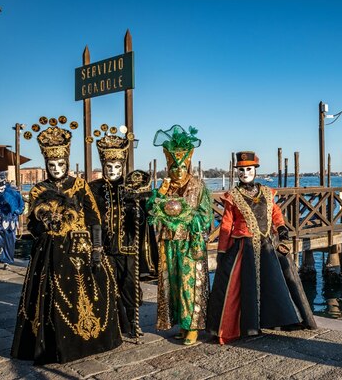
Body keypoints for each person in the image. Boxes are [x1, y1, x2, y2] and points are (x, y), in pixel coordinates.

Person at [11, 117, 121, 364]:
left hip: (79, 248)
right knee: (51, 297)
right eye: (52, 164)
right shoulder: (39, 189)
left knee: (88, 293)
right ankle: (56, 346)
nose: (57, 169)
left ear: (67, 161)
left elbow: (94, 217)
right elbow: (31, 223)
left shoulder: (80, 185)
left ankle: (86, 342)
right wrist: (44, 224)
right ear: (46, 164)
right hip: (50, 252)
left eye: (61, 164)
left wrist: (96, 248)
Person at [207, 151, 316, 345]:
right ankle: (247, 326)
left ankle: (285, 319)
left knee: (276, 282)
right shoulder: (233, 196)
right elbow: (226, 225)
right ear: (237, 172)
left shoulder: (267, 192)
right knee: (242, 287)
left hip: (267, 245)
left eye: (248, 169)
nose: (245, 173)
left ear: (255, 170)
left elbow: (275, 213)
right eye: (241, 170)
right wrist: (222, 251)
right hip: (244, 247)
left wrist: (281, 227)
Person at [147, 125, 212, 346]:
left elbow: (205, 215)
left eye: (182, 166)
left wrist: (186, 217)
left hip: (189, 243)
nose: (178, 171)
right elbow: (151, 209)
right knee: (172, 284)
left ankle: (192, 326)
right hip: (168, 242)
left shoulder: (198, 186)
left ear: (189, 164)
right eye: (173, 167)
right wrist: (161, 195)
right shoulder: (166, 187)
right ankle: (180, 324)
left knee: (189, 284)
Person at [89, 124, 154, 340]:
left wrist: (140, 208)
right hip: (106, 246)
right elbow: (92, 218)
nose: (113, 172)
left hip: (128, 246)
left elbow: (147, 214)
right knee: (108, 286)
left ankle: (133, 322)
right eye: (109, 167)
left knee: (130, 286)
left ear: (122, 165)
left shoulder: (132, 186)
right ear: (103, 165)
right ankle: (115, 324)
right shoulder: (95, 188)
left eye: (117, 167)